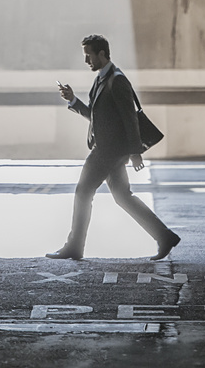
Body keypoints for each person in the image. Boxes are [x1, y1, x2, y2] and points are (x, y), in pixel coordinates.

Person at [46, 34, 181, 262]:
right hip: (112, 151)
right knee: (122, 197)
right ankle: (165, 236)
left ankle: (74, 247)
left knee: (82, 193)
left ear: (102, 54)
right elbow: (96, 117)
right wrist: (73, 101)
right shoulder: (102, 79)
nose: (87, 60)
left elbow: (130, 119)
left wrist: (136, 151)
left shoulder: (117, 80)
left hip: (107, 151)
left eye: (89, 55)